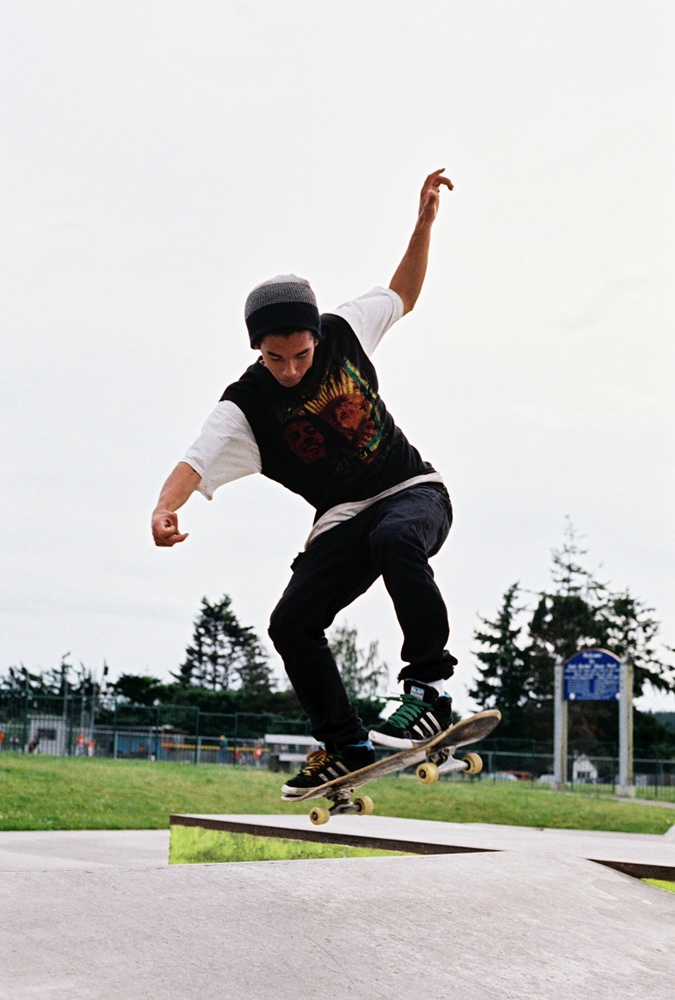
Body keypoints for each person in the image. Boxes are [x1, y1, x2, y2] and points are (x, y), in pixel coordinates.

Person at [152, 169, 457, 798]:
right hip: (343, 518)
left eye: (301, 355)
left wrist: (423, 224)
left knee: (398, 541)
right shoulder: (245, 407)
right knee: (291, 623)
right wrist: (164, 508)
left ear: (316, 337)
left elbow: (403, 293)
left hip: (414, 491)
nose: (289, 370)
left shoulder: (345, 329)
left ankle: (428, 689)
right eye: (275, 359)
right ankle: (345, 746)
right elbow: (194, 461)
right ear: (257, 349)